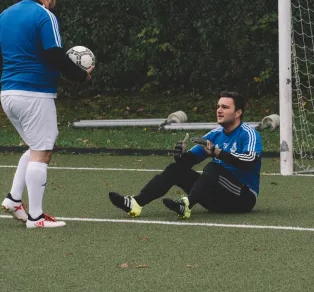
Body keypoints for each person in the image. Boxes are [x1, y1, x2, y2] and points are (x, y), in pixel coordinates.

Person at [0, 0, 93, 229]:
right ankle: (36, 217)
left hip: (10, 94)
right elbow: (54, 53)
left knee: (35, 147)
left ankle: (13, 199)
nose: (54, 2)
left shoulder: (4, 15)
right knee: (42, 152)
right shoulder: (45, 16)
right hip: (34, 93)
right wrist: (81, 77)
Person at [109, 91, 263, 219]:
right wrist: (180, 155)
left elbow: (249, 161)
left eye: (224, 107)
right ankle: (135, 203)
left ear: (238, 112)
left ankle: (186, 205)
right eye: (218, 106)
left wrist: (218, 152)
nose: (219, 110)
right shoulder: (215, 134)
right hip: (216, 199)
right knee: (175, 169)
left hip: (242, 199)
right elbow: (189, 161)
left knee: (213, 167)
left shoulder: (249, 134)